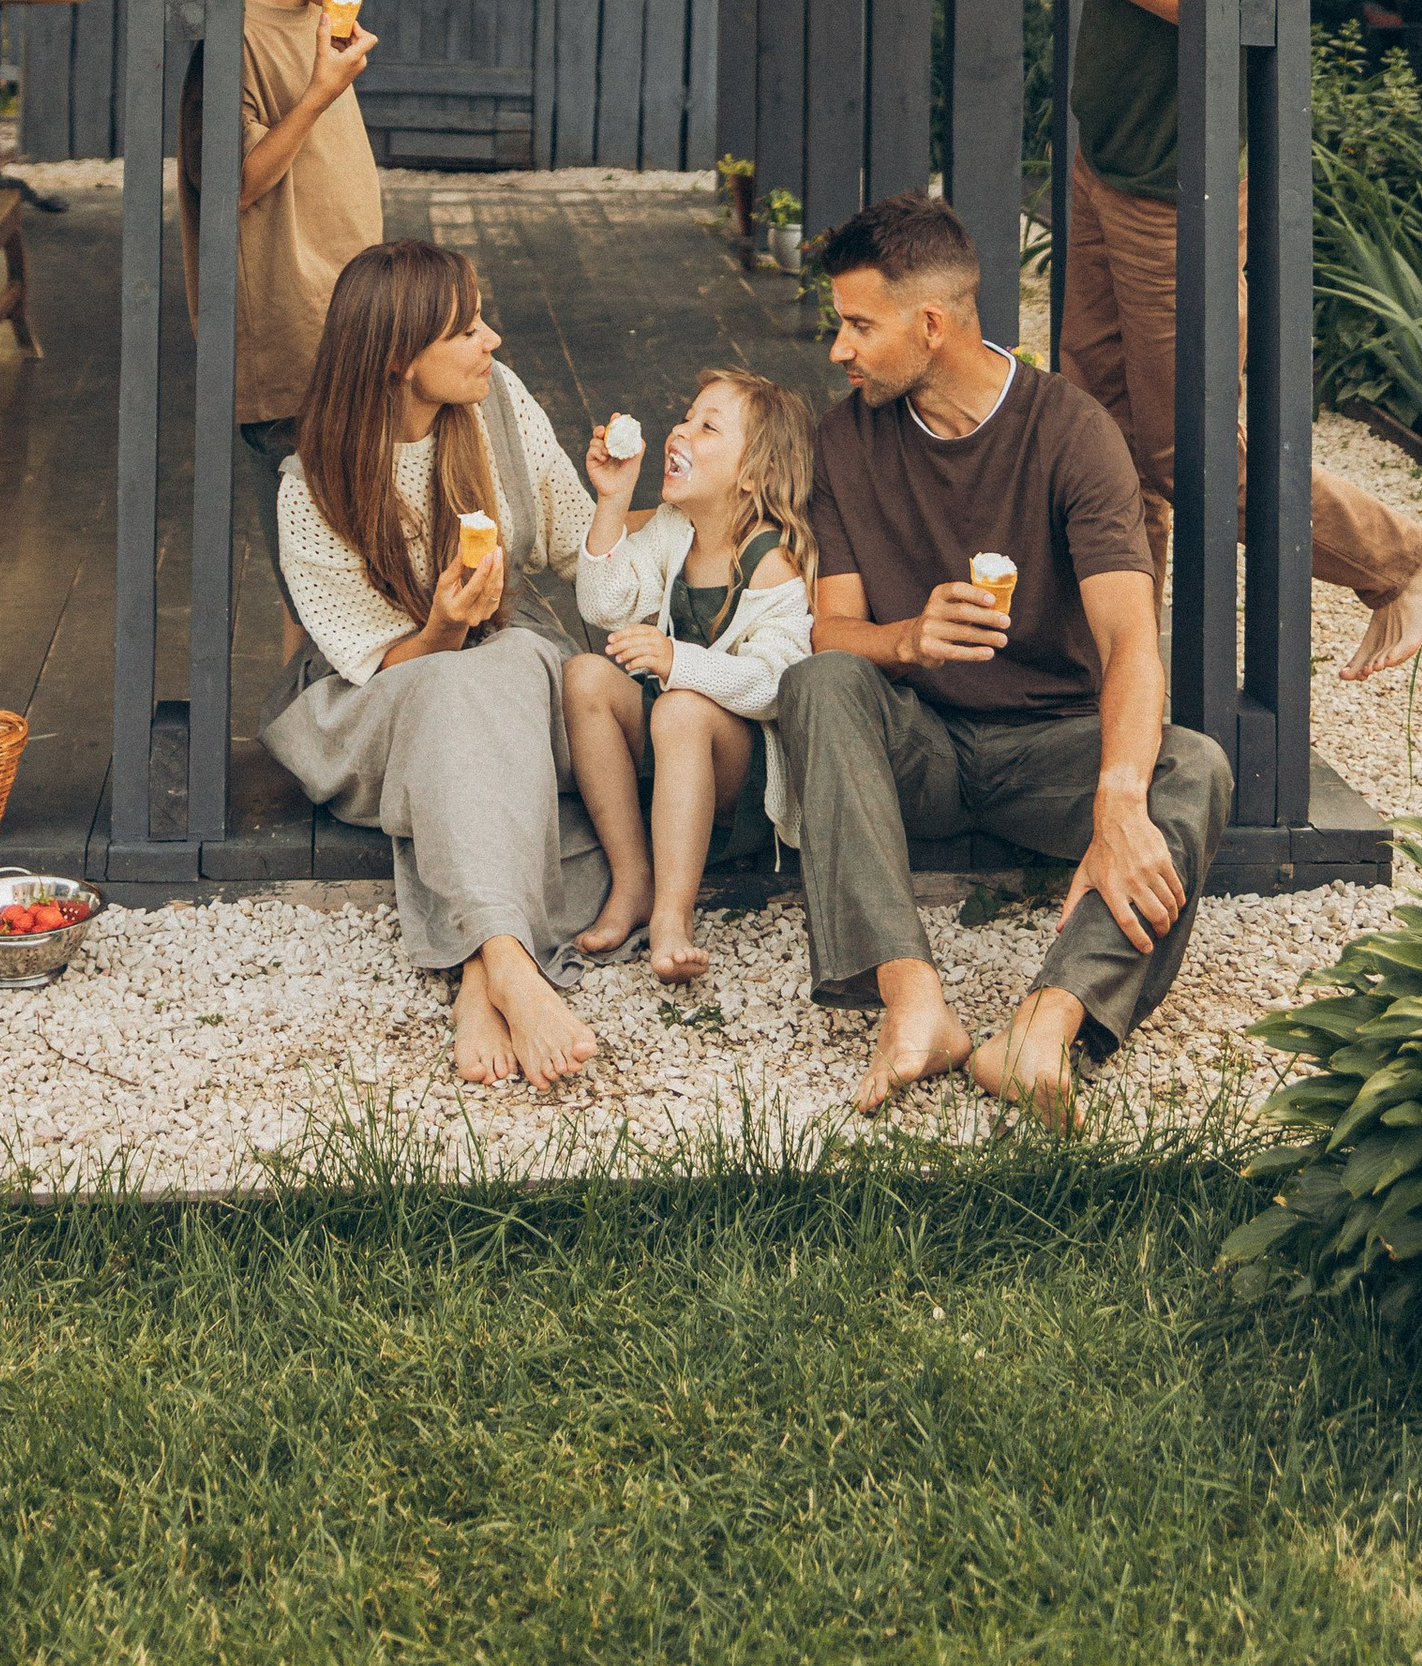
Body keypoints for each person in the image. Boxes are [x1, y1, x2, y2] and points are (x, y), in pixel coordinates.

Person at [991, 0, 1422, 681]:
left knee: (1182, 449)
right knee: (1100, 440)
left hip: (1175, 189)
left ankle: (1405, 558)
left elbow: (1235, 13)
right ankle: (1122, 678)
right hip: (1108, 168)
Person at [776, 194, 1230, 1124]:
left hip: (1048, 748)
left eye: (859, 325)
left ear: (931, 325)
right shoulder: (845, 437)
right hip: (924, 745)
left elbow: (1130, 640)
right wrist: (903, 641)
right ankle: (915, 1006)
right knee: (818, 683)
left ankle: (1044, 1026)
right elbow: (834, 633)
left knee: (1193, 768)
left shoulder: (1071, 433)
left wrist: (1115, 802)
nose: (840, 349)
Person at [261, 236, 611, 1093]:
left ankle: (486, 974)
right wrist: (445, 628)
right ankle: (514, 966)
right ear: (394, 357)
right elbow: (376, 666)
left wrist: (627, 502)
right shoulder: (313, 483)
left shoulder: (500, 406)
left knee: (490, 681)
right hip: (376, 705)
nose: (491, 341)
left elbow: (574, 544)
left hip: (504, 672)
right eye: (465, 330)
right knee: (459, 689)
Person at [178, 0, 398, 623]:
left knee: (356, 572)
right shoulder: (232, 40)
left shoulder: (320, 21)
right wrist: (316, 93)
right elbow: (228, 183)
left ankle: (323, 726)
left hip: (351, 333)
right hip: (290, 351)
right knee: (324, 585)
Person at [564, 367, 816, 984]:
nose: (680, 431)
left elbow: (776, 686)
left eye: (708, 427)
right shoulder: (678, 531)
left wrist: (680, 663)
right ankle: (634, 880)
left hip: (745, 769)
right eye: (686, 417)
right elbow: (603, 606)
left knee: (677, 707)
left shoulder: (773, 564)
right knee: (585, 677)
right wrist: (613, 500)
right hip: (677, 744)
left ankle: (673, 918)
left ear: (754, 475)